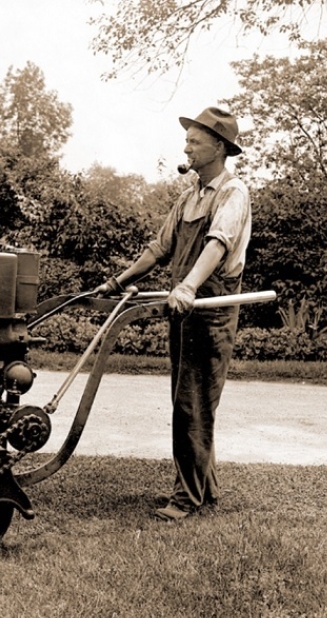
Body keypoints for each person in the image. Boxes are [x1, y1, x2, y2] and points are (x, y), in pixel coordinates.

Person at [97, 107, 252, 521]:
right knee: (189, 402)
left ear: (218, 147)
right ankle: (206, 488)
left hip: (210, 310)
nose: (186, 148)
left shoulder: (232, 193)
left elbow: (217, 245)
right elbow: (159, 249)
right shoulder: (189, 196)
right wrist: (116, 282)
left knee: (192, 405)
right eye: (187, 141)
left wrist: (187, 286)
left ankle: (186, 499)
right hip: (184, 309)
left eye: (194, 141)